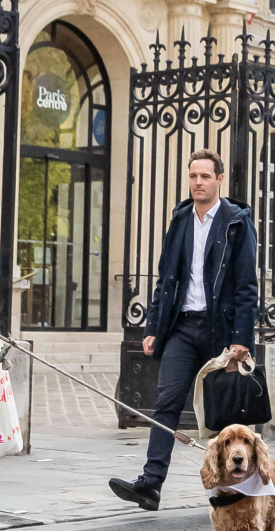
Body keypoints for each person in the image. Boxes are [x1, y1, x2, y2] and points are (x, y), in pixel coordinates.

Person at [108, 150, 258, 511]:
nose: (198, 182)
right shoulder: (180, 219)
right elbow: (166, 280)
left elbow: (246, 285)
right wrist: (154, 327)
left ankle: (240, 488)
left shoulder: (237, 222)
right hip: (182, 327)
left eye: (205, 176)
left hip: (220, 330)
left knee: (226, 412)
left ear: (220, 179)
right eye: (193, 176)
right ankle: (151, 483)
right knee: (167, 402)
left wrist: (241, 339)